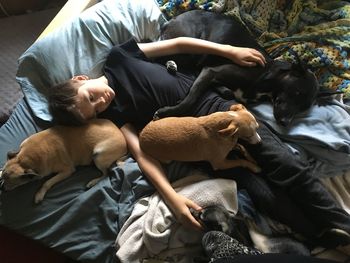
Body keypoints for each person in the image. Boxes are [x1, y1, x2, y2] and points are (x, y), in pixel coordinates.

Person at [48, 37, 350, 248]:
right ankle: (322, 236)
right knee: (261, 192)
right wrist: (172, 199)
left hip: (218, 110)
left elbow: (178, 44)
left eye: (91, 97)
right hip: (199, 146)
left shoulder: (119, 58)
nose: (102, 101)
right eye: (96, 109)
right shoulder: (114, 115)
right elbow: (142, 153)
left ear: (80, 79)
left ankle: (342, 226)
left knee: (285, 164)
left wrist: (230, 51)